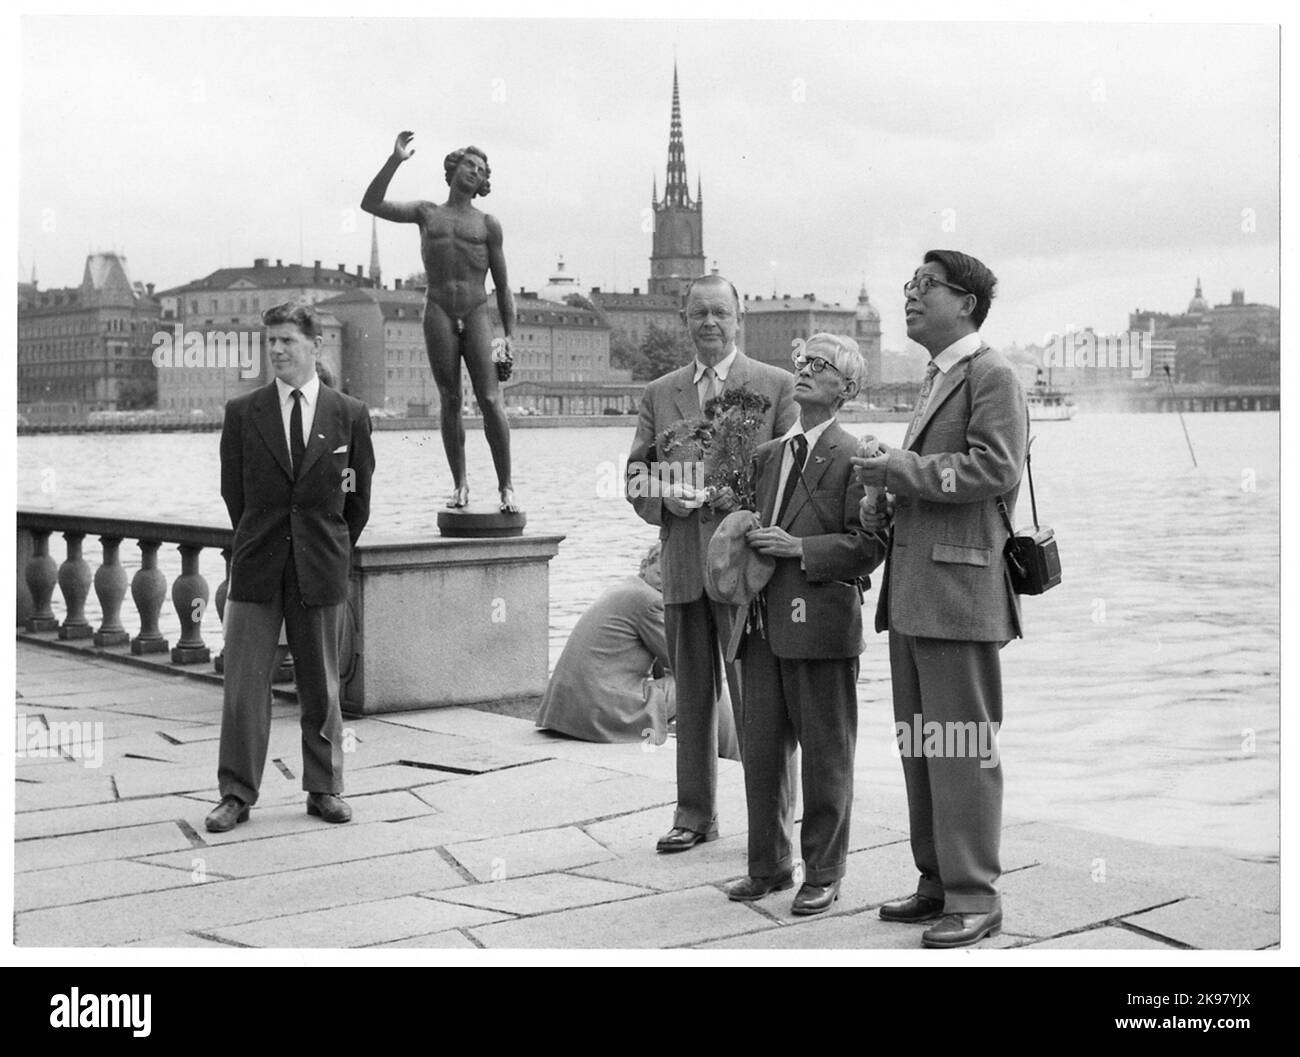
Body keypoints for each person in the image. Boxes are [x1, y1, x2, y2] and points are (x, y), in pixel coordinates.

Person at [853, 250, 1027, 948]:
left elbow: (995, 466)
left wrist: (898, 467)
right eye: (910, 285)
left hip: (959, 592)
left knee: (962, 747)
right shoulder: (938, 376)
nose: (912, 296)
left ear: (968, 300)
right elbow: (939, 479)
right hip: (919, 590)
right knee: (920, 744)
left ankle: (975, 893)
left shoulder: (992, 374)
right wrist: (884, 496)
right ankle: (937, 881)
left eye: (927, 286)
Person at [626, 274, 796, 853]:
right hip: (681, 570)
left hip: (747, 573)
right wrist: (662, 497)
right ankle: (693, 815)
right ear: (684, 321)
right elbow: (635, 474)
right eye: (698, 313)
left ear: (738, 318)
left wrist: (746, 502)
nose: (709, 323)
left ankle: (774, 819)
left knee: (759, 702)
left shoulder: (777, 387)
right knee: (692, 699)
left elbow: (795, 479)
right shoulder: (659, 392)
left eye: (719, 313)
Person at [723, 334, 885, 915]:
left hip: (819, 625)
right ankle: (767, 867)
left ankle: (824, 871)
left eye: (822, 365)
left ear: (847, 387)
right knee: (761, 753)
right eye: (802, 362)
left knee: (825, 755)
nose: (805, 370)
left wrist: (798, 547)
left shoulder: (858, 455)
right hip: (761, 625)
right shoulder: (767, 456)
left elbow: (869, 547)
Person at [204, 301, 376, 833]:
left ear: (314, 346)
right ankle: (236, 793)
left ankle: (324, 788)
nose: (276, 350)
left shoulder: (349, 414)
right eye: (271, 341)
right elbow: (235, 494)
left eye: (287, 341)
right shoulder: (243, 412)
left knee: (322, 686)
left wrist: (326, 546)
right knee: (243, 685)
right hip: (258, 564)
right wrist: (264, 538)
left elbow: (357, 500)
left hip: (319, 565)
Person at [361, 131, 518, 512]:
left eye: (480, 170)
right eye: (468, 164)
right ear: (453, 169)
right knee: (449, 400)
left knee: (490, 400)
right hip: (439, 311)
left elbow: (502, 285)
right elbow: (372, 203)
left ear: (483, 183)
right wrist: (395, 160)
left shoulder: (488, 224)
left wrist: (509, 337)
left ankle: (506, 487)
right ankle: (460, 486)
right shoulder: (426, 213)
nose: (473, 172)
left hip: (477, 310)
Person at [535, 544, 739, 758]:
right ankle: (734, 761)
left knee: (696, 680)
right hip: (603, 711)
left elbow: (668, 660)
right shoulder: (650, 601)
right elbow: (685, 661)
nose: (665, 582)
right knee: (708, 681)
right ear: (644, 566)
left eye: (673, 576)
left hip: (570, 712)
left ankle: (714, 755)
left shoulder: (625, 588)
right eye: (660, 573)